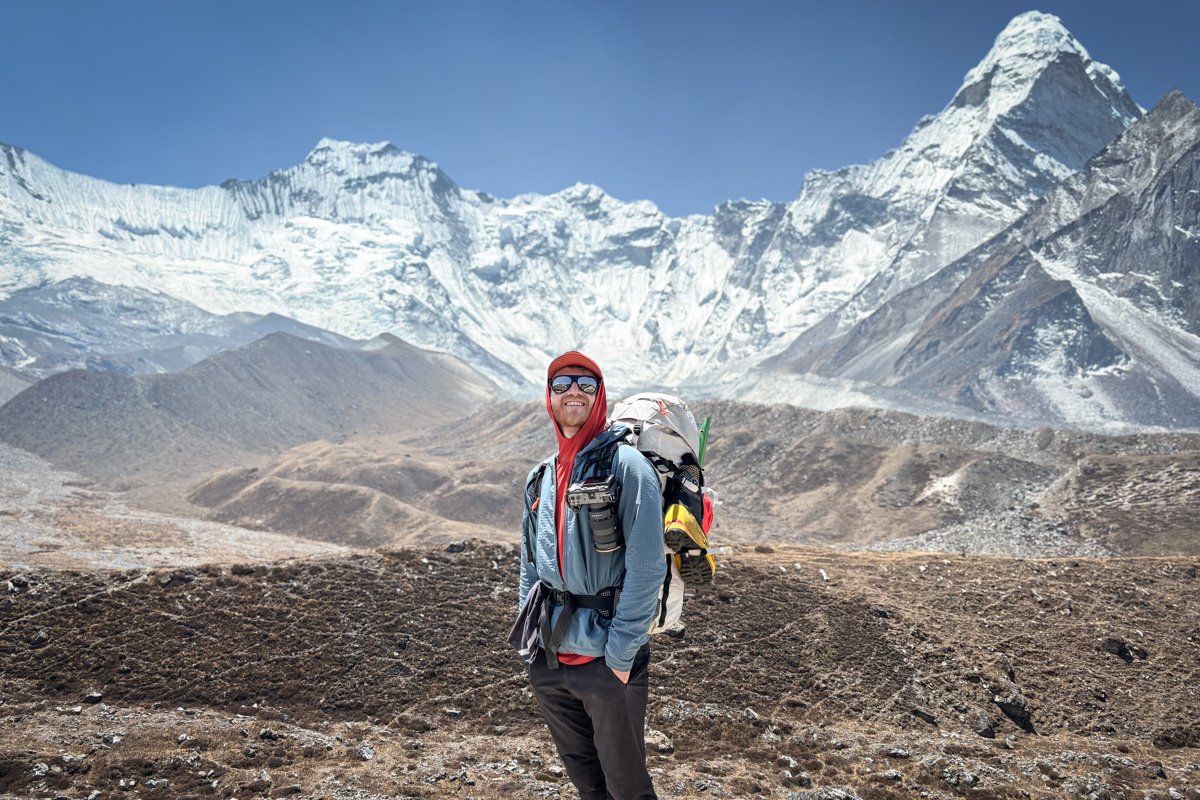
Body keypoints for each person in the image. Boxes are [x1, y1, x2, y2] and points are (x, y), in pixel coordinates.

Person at [518, 351, 665, 800]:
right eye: (561, 384)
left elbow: (647, 568)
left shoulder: (627, 468)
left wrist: (619, 659)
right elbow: (530, 566)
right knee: (588, 785)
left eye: (585, 384)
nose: (573, 392)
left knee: (627, 788)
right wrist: (532, 647)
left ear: (600, 395)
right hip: (551, 661)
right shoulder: (540, 477)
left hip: (606, 661)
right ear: (549, 396)